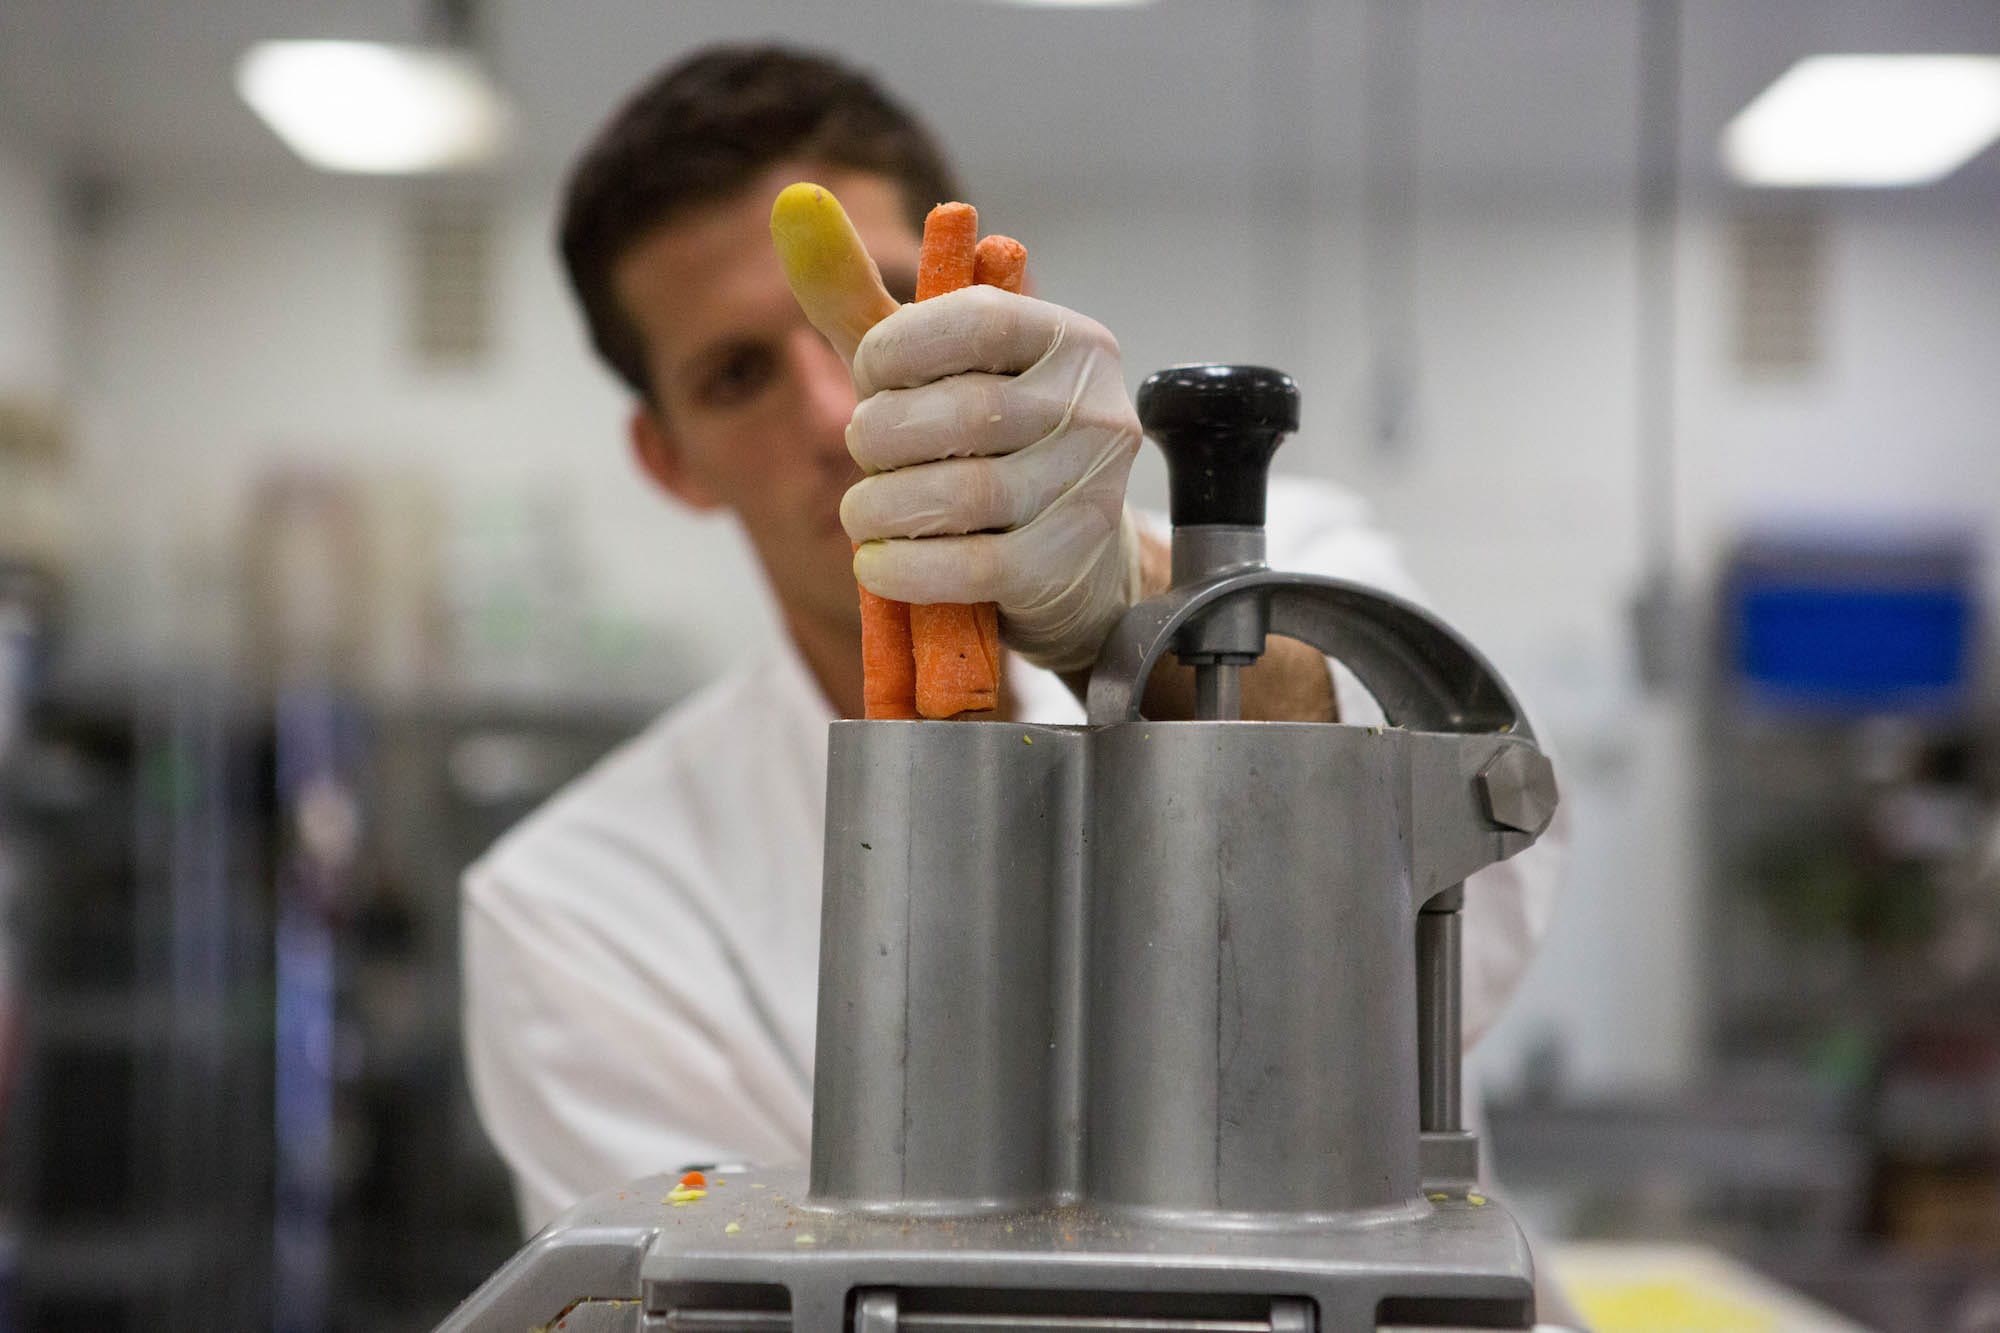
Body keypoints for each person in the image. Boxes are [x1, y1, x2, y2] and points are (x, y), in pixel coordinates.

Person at [462, 43, 1566, 1237]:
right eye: (737, 374)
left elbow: (1494, 887)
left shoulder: (1279, 554)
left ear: (972, 312)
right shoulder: (583, 911)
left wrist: (1152, 609)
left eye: (884, 312)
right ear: (669, 459)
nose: (842, 411)